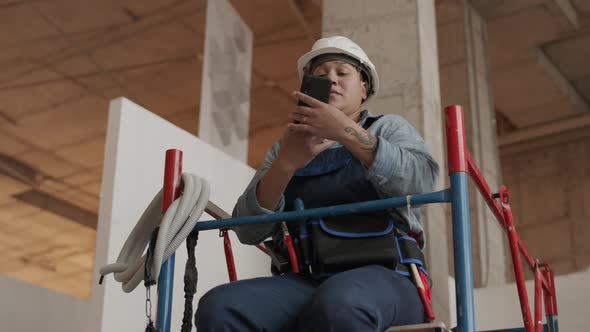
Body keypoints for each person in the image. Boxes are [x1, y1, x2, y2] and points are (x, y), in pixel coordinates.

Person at [195, 36, 439, 332]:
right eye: (321, 75)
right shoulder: (287, 145)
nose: (332, 80)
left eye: (342, 72)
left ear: (364, 88)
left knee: (339, 305)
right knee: (219, 309)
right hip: (307, 280)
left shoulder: (389, 128)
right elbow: (247, 230)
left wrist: (346, 132)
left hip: (390, 276)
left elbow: (422, 182)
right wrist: (286, 163)